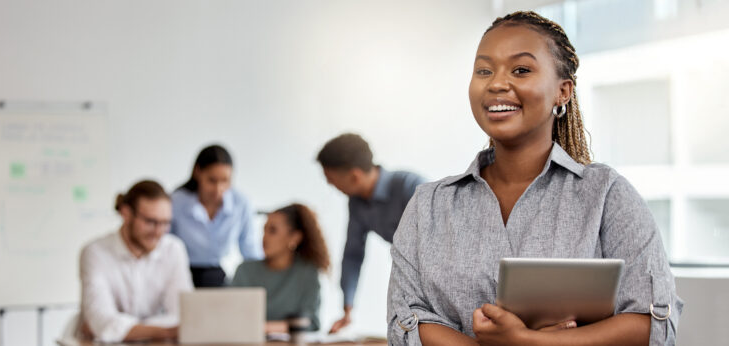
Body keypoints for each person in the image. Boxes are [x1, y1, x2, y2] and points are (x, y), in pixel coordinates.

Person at [387, 11, 683, 346]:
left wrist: (527, 341)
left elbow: (654, 323)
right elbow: (405, 322)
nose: (496, 83)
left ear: (563, 92)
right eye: (484, 70)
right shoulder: (428, 205)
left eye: (521, 70)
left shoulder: (607, 195)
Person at [316, 133, 425, 333]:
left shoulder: (410, 186)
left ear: (354, 176)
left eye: (331, 179)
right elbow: (353, 254)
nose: (330, 185)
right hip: (408, 279)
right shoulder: (356, 203)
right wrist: (348, 306)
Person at [79, 180, 193, 343]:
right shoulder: (95, 253)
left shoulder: (174, 249)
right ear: (126, 213)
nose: (159, 232)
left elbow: (184, 315)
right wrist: (168, 330)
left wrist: (123, 328)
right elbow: (102, 321)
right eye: (150, 222)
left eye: (165, 223)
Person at [171, 145, 262, 287]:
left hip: (217, 276)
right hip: (181, 274)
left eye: (225, 181)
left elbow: (250, 249)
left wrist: (262, 278)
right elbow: (165, 246)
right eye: (212, 180)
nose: (218, 189)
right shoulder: (176, 202)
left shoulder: (240, 203)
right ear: (197, 172)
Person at [231, 203, 330, 333]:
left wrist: (264, 328)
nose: (264, 237)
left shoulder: (307, 273)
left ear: (294, 237)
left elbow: (311, 322)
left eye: (272, 231)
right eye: (264, 230)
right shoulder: (245, 271)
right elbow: (231, 317)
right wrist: (289, 326)